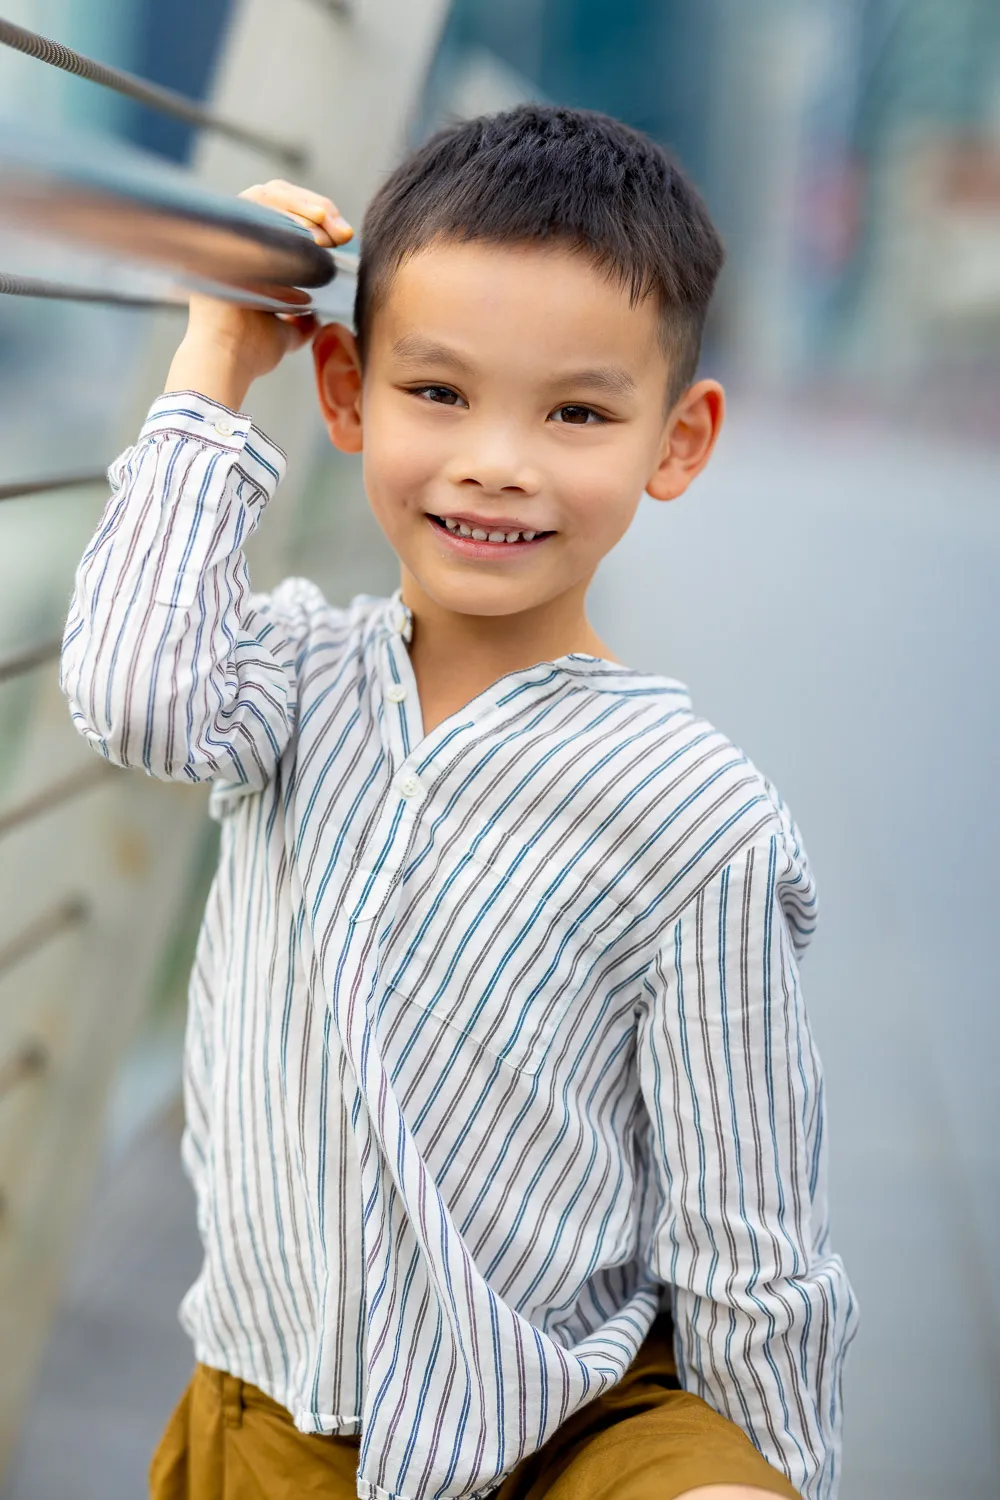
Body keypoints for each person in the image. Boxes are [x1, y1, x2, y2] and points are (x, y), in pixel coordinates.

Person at [61, 105, 857, 1500]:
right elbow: (133, 691)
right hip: (284, 1413)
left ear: (678, 440)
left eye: (578, 413)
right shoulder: (296, 684)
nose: (499, 459)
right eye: (440, 394)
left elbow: (751, 1229)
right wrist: (215, 358)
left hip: (575, 1418)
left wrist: (772, 1464)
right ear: (350, 392)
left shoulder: (695, 816)